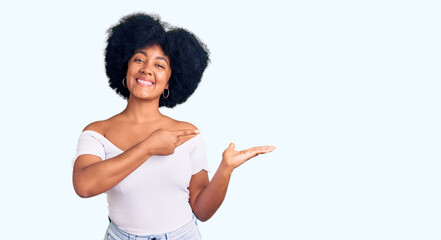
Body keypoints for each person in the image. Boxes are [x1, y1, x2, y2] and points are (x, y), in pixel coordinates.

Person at [72, 13, 276, 240]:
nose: (147, 69)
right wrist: (148, 147)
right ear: (125, 67)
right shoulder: (97, 132)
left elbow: (202, 210)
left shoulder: (187, 134)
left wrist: (225, 169)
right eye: (139, 59)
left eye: (159, 65)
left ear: (170, 81)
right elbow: (84, 186)